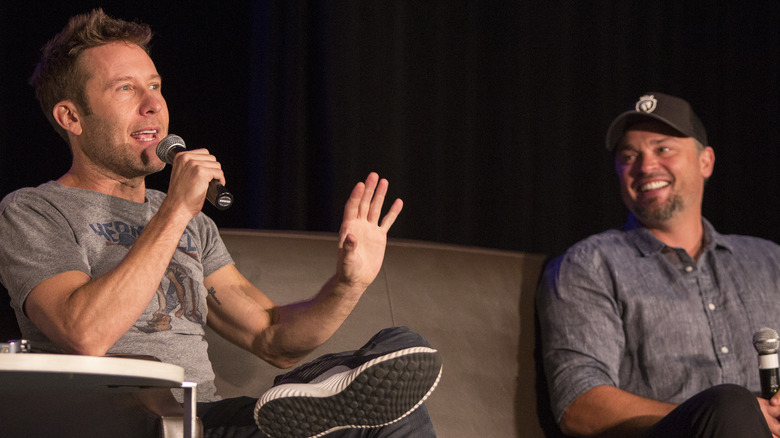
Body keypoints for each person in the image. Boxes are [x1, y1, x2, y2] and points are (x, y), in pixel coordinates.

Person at [0, 9, 441, 438]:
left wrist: (349, 283)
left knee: (395, 402)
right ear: (71, 117)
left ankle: (319, 393)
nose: (153, 105)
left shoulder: (192, 225)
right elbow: (85, 334)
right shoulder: (34, 211)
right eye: (125, 89)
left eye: (155, 86)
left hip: (200, 418)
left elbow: (273, 339)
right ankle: (315, 397)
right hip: (117, 420)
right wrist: (174, 211)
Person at [537, 91, 780, 438]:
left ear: (705, 162)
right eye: (629, 156)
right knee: (731, 406)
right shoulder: (591, 264)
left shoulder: (770, 261)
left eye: (662, 149)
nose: (645, 166)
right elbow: (579, 405)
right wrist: (713, 416)